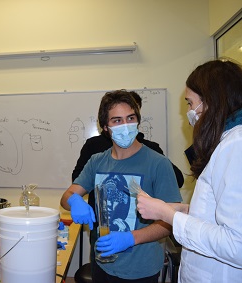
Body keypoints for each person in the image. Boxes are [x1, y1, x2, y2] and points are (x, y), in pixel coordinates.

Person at [137, 59, 242, 282]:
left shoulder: (236, 146)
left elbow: (237, 245)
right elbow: (220, 212)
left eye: (189, 102)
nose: (189, 112)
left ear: (210, 102)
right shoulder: (227, 143)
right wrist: (185, 209)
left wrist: (168, 215)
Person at [60, 90, 182, 283]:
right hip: (102, 263)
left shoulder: (158, 163)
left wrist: (131, 238)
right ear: (106, 127)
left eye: (130, 118)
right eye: (117, 120)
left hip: (140, 270)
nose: (125, 126)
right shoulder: (97, 161)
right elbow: (67, 196)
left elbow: (171, 222)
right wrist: (75, 201)